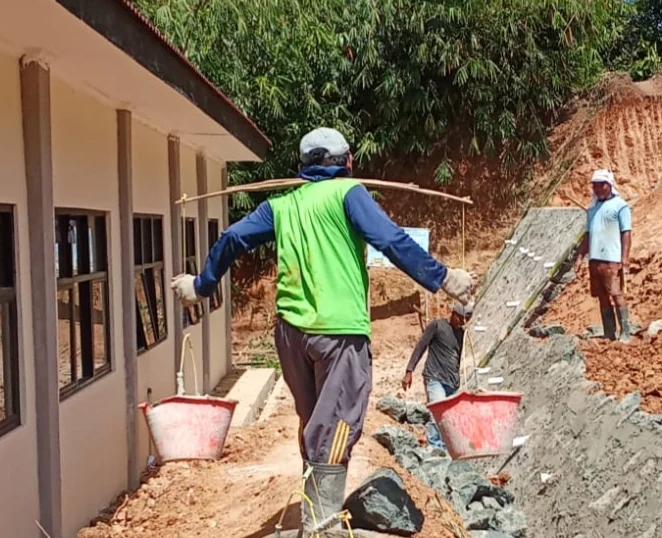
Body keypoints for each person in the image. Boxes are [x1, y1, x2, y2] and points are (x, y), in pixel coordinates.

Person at [171, 128, 474, 536]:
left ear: (303, 167)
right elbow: (390, 239)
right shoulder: (349, 193)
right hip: (340, 334)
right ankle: (322, 525)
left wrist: (201, 285)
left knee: (313, 420)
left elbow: (232, 237)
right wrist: (444, 278)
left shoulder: (281, 206)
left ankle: (315, 506)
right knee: (337, 424)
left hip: (292, 335)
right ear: (347, 162)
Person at [402, 302, 471, 451]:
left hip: (451, 383)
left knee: (450, 419)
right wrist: (409, 371)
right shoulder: (437, 326)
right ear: (453, 313)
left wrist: (456, 379)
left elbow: (457, 358)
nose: (462, 323)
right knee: (437, 414)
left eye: (466, 320)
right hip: (435, 378)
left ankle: (446, 450)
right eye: (461, 319)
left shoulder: (461, 333)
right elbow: (420, 347)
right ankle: (434, 449)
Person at [573, 168, 633, 342]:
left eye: (601, 185)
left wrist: (625, 258)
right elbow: (588, 235)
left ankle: (625, 332)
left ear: (610, 185)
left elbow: (626, 232)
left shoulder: (620, 205)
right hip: (595, 260)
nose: (598, 189)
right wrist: (579, 257)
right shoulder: (592, 209)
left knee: (617, 294)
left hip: (612, 259)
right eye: (595, 186)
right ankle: (609, 332)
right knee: (602, 296)